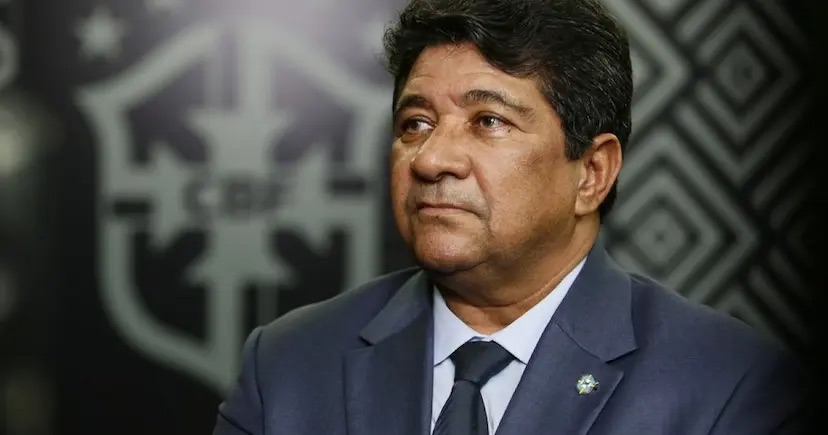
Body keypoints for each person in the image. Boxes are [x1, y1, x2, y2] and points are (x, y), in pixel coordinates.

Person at [212, 0, 810, 434]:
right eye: (416, 123)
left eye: (488, 121)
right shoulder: (288, 365)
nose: (432, 159)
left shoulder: (729, 385)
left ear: (592, 173)